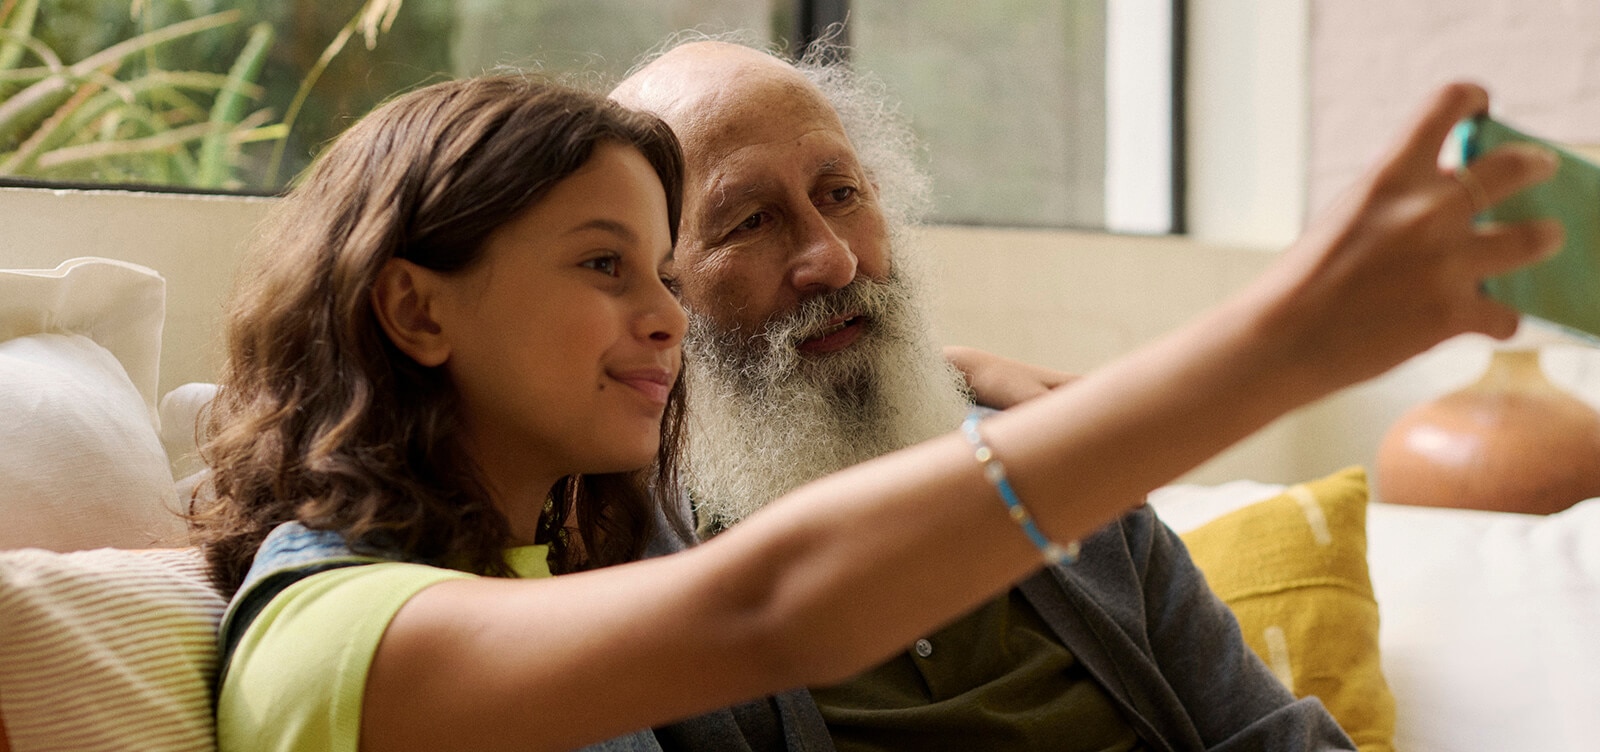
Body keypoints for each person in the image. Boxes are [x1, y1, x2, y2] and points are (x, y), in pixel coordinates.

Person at [190, 68, 1554, 752]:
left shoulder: (538, 557)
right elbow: (770, 607)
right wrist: (1282, 343)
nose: (661, 310)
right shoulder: (344, 626)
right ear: (417, 311)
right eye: (613, 266)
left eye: (663, 264)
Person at [610, 39, 1559, 751]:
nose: (834, 257)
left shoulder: (1064, 481)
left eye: (843, 191)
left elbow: (1266, 738)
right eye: (748, 221)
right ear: (657, 288)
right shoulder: (612, 566)